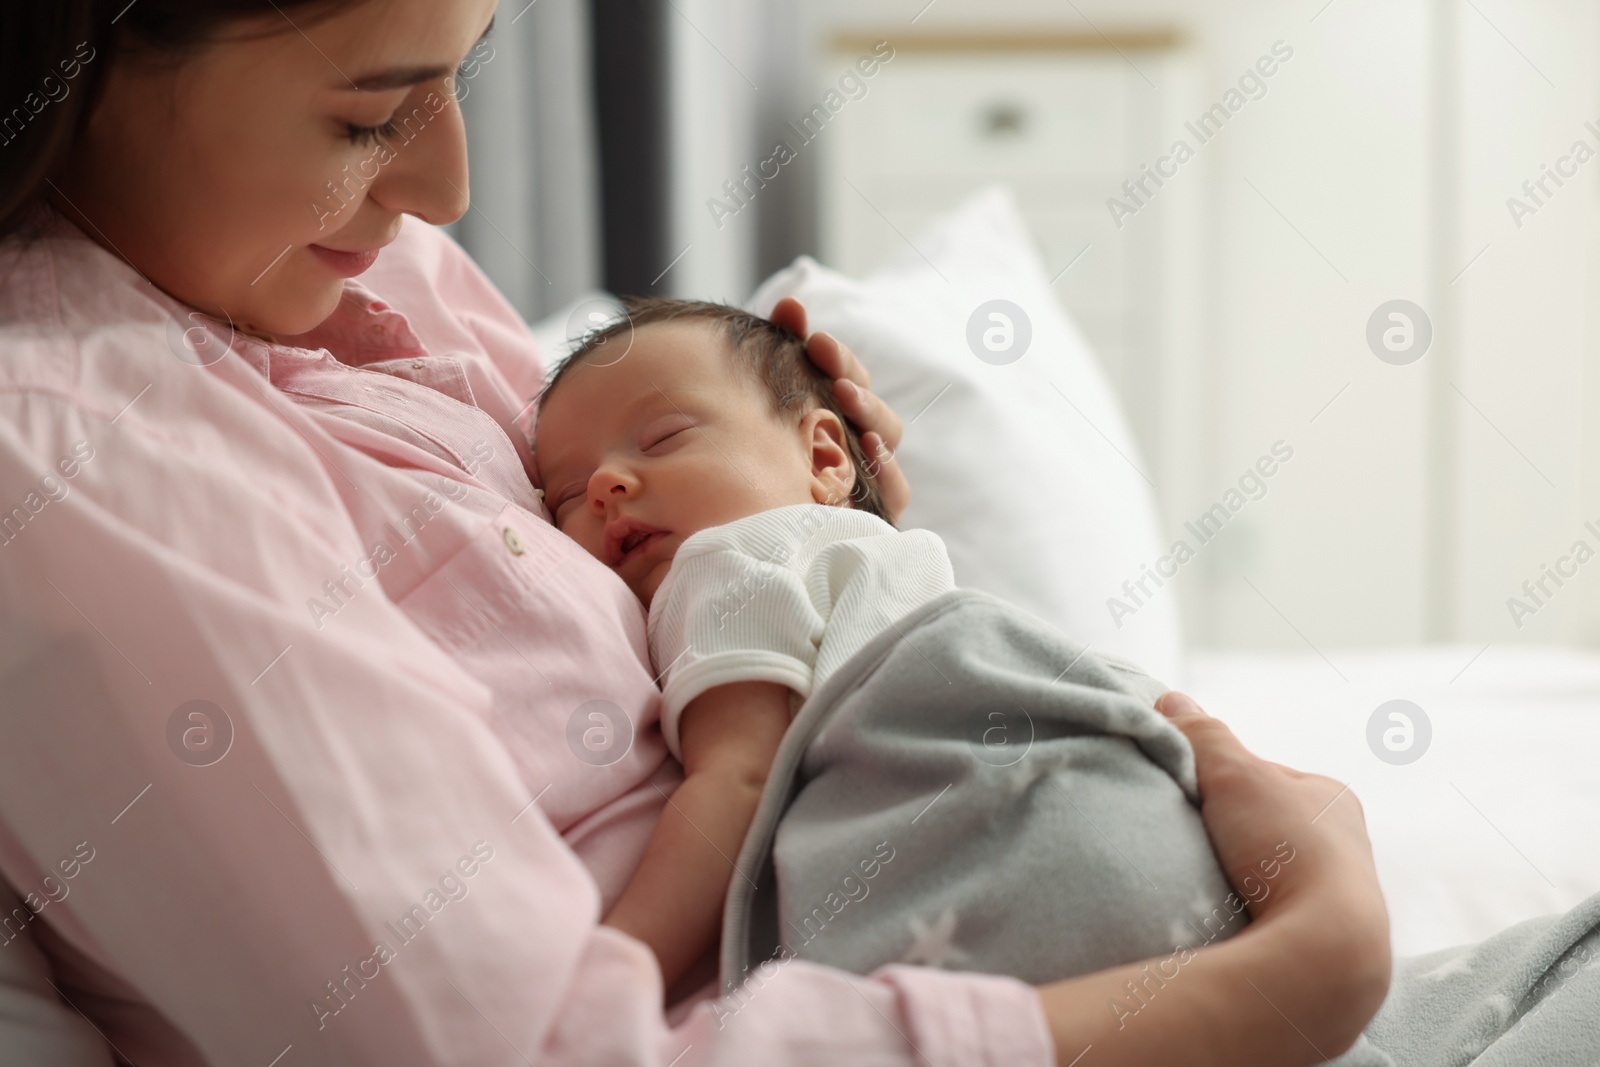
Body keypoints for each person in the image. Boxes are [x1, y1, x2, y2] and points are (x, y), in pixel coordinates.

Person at [0, 2, 1391, 1065]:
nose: (447, 185)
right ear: (84, 58)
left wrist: (787, 531)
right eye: (369, 115)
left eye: (459, 78)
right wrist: (1285, 979)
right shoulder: (84, 458)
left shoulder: (353, 270)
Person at [533, 296, 1249, 992]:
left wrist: (612, 972)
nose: (604, 485)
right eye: (564, 497)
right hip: (1146, 838)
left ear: (825, 457)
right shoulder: (889, 562)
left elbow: (738, 781)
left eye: (663, 437)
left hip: (1005, 863)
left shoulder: (727, 560)